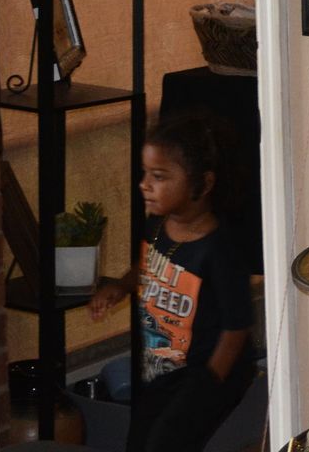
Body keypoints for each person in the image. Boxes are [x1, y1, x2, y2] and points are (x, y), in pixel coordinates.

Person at [90, 116, 253, 452]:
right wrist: (121, 286)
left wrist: (207, 387)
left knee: (166, 442)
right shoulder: (157, 225)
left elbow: (236, 328)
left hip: (202, 375)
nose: (144, 185)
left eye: (159, 176)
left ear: (203, 184)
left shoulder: (220, 249)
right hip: (159, 370)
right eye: (145, 173)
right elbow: (146, 264)